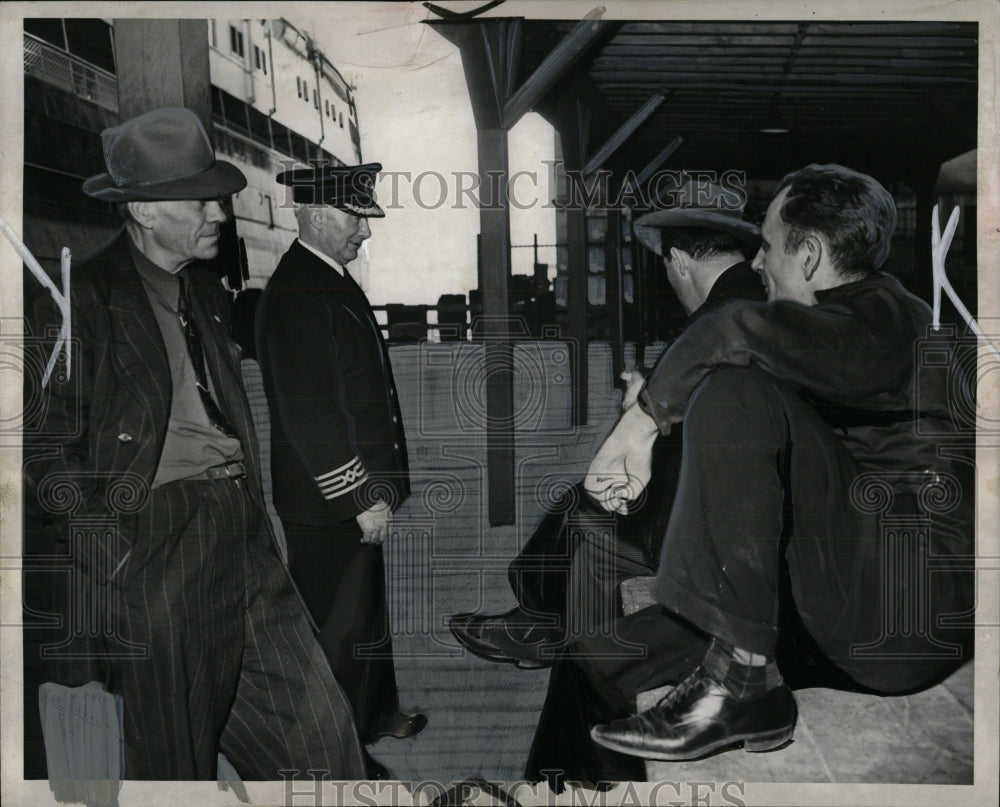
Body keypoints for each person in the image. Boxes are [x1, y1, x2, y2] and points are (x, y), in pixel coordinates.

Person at [586, 164, 974, 763]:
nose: (758, 265)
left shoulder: (889, 319)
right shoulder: (849, 329)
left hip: (905, 611)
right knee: (599, 661)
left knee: (733, 389)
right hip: (852, 595)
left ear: (811, 255)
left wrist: (642, 422)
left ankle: (741, 686)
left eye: (767, 246)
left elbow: (736, 330)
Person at [22, 107, 366, 780]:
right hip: (153, 544)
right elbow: (40, 444)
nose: (220, 210)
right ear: (146, 213)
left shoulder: (206, 293)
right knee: (172, 762)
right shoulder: (77, 302)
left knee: (323, 739)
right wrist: (113, 557)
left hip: (240, 536)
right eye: (200, 199)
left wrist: (257, 518)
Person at [448, 178, 765, 674]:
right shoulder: (752, 302)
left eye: (666, 268)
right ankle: (538, 620)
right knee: (579, 499)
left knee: (587, 509)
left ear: (678, 259)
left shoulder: (715, 319)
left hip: (716, 528)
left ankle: (552, 634)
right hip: (736, 500)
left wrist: (643, 411)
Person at [255, 162, 426, 771]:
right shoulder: (302, 293)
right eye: (357, 218)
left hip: (351, 496)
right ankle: (335, 745)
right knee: (335, 628)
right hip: (328, 502)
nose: (365, 232)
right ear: (318, 214)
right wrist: (360, 498)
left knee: (364, 612)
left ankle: (374, 713)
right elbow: (314, 417)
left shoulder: (325, 278)